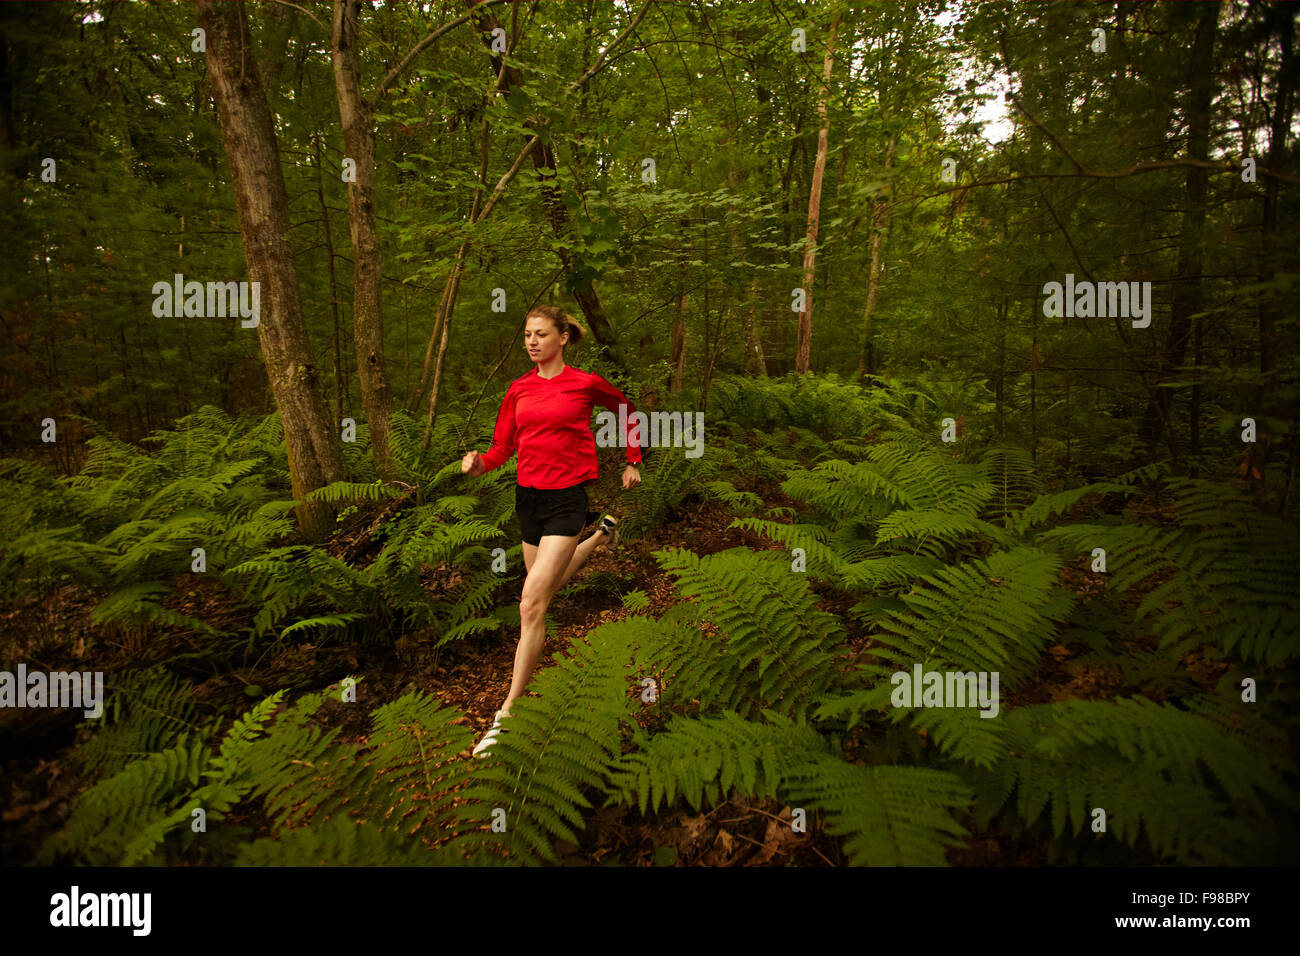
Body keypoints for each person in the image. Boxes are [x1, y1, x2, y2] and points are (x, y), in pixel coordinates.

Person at [459, 305, 642, 756]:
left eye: (540, 334)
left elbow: (628, 410)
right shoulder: (518, 390)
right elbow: (503, 447)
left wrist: (633, 459)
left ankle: (507, 714)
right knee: (549, 586)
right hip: (530, 500)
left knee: (531, 602)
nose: (532, 342)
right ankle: (601, 536)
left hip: (566, 500)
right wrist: (480, 464)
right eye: (526, 335)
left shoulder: (584, 383)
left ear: (563, 338)